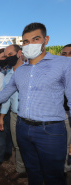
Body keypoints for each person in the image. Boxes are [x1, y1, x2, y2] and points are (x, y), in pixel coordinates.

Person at [0, 22, 71, 185]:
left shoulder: (63, 64)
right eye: (26, 41)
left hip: (50, 131)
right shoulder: (20, 70)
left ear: (45, 40)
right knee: (33, 172)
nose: (30, 44)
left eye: (36, 39)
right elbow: (6, 93)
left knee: (54, 176)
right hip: (23, 128)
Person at [0, 44, 27, 180]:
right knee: (18, 145)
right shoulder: (7, 77)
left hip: (33, 117)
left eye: (10, 54)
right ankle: (21, 169)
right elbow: (6, 98)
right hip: (15, 116)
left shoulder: (31, 71)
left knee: (35, 146)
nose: (7, 58)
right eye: (5, 55)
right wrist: (2, 117)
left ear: (19, 53)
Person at [0, 49, 13, 161]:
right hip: (1, 105)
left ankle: (8, 150)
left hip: (11, 105)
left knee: (9, 130)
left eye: (3, 57)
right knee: (3, 129)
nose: (1, 60)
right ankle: (4, 148)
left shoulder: (13, 70)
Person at [60, 44, 71, 173]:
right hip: (59, 114)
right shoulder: (59, 73)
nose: (67, 57)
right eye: (64, 54)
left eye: (70, 54)